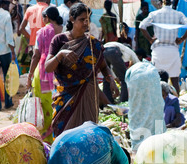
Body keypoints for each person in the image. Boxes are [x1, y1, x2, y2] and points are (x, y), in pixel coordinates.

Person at [45, 2, 119, 138]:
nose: (86, 23)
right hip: (65, 97)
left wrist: (111, 80)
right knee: (63, 135)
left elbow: (103, 66)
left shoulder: (93, 43)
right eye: (82, 20)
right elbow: (47, 67)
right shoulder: (59, 40)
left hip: (88, 96)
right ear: (72, 19)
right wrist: (61, 55)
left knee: (87, 137)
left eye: (88, 20)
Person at [27, 6, 63, 143]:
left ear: (47, 17)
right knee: (56, 102)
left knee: (42, 105)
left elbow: (36, 55)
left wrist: (29, 75)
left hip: (43, 71)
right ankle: (56, 134)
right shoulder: (62, 30)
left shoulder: (41, 32)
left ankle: (45, 139)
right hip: (58, 70)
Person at [139, 0, 187, 94]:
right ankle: (176, 101)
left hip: (158, 50)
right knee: (175, 80)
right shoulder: (178, 14)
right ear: (172, 2)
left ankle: (158, 100)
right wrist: (182, 38)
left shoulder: (154, 14)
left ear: (162, 2)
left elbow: (142, 26)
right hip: (172, 50)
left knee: (157, 79)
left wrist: (150, 39)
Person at [125, 61, 166, 153]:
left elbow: (130, 95)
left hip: (139, 108)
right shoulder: (151, 71)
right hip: (156, 110)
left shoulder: (131, 73)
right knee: (156, 118)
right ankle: (159, 148)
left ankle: (139, 152)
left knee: (138, 117)